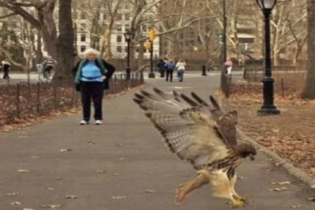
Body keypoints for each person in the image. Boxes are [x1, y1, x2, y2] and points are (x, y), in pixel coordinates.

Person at [73, 48, 115, 125]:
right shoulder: (81, 63)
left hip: (97, 83)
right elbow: (74, 71)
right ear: (86, 56)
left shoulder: (100, 62)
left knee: (97, 101)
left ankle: (98, 118)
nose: (92, 56)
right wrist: (78, 78)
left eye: (93, 55)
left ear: (96, 56)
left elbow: (112, 69)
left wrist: (105, 76)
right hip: (85, 83)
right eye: (90, 55)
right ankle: (85, 119)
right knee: (85, 101)